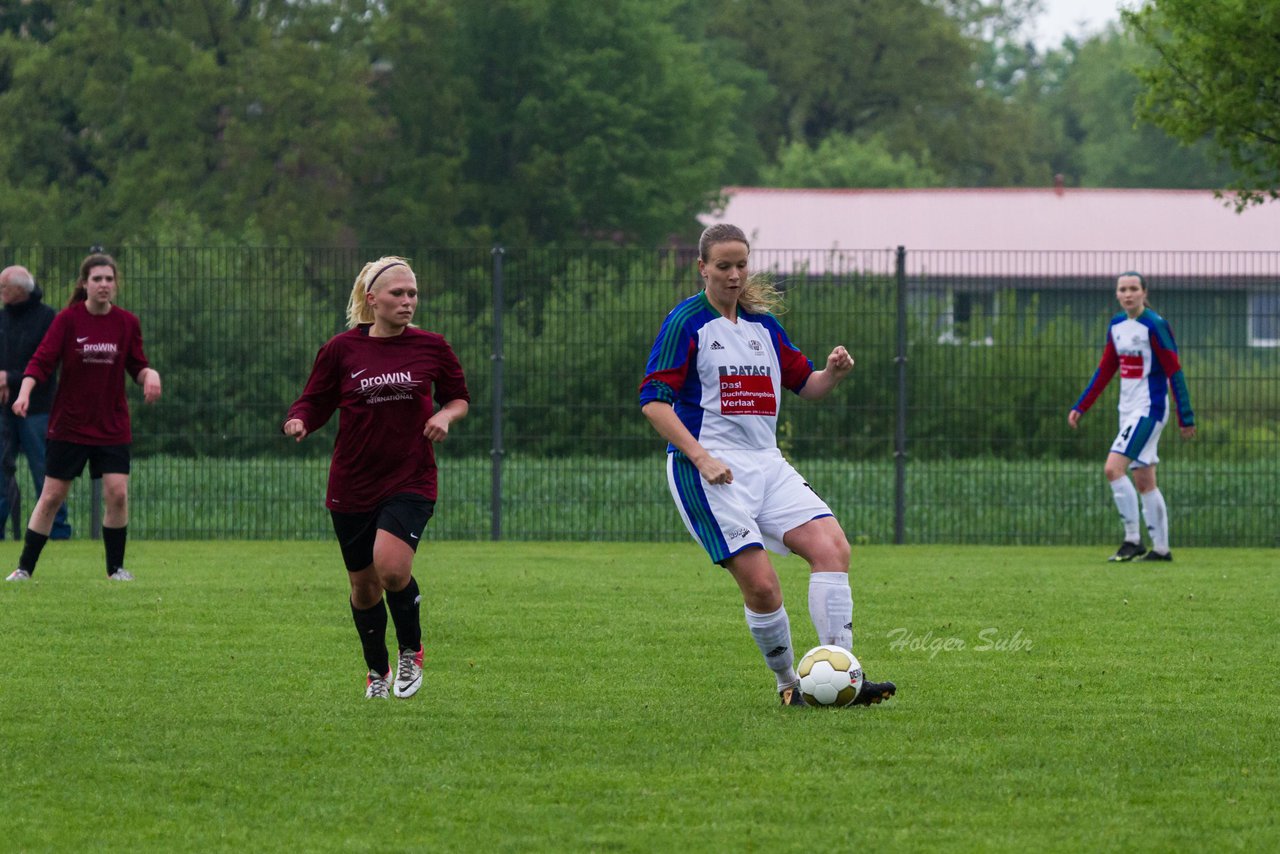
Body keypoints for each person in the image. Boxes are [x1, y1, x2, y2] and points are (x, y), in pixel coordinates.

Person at [639, 223, 896, 708]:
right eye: (723, 266)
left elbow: (810, 387)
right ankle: (788, 686)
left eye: (741, 264)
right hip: (708, 471)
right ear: (703, 269)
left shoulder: (763, 328)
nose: (735, 275)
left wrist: (832, 373)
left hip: (767, 464)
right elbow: (653, 401)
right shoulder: (686, 323)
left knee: (832, 548)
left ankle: (843, 677)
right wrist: (701, 456)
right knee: (761, 585)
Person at [283, 256, 470, 700]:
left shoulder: (432, 347)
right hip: (352, 483)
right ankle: (377, 672)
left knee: (391, 569)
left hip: (411, 478)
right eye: (397, 294)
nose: (407, 302)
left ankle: (410, 653)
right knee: (363, 588)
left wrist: (446, 414)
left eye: (413, 294)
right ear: (372, 300)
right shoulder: (340, 350)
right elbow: (314, 400)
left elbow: (459, 397)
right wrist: (299, 421)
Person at [5, 252, 161, 582]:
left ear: (115, 284)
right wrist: (24, 392)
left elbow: (137, 364)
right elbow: (42, 361)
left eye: (109, 279)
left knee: (117, 494)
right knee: (51, 496)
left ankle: (115, 569)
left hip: (112, 425)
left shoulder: (127, 323)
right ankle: (24, 568)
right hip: (70, 425)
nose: (104, 284)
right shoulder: (67, 320)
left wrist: (150, 375)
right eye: (97, 279)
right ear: (84, 284)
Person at [1069, 271, 1196, 562]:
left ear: (1144, 292)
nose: (1128, 294)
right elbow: (1105, 369)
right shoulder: (1117, 325)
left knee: (1113, 469)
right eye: (1122, 289)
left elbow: (1174, 370)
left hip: (1150, 410)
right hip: (1127, 410)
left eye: (1133, 289)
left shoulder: (1155, 325)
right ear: (1117, 294)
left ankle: (1132, 540)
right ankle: (1162, 550)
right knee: (1144, 480)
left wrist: (1185, 415)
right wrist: (1082, 405)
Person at [0, 265, 72, 541]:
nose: (1, 292)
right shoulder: (2, 319)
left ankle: (58, 530)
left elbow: (46, 362)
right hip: (4, 408)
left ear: (20, 290)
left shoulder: (47, 318)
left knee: (45, 469)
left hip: (37, 408)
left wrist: (10, 377)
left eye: (4, 287)